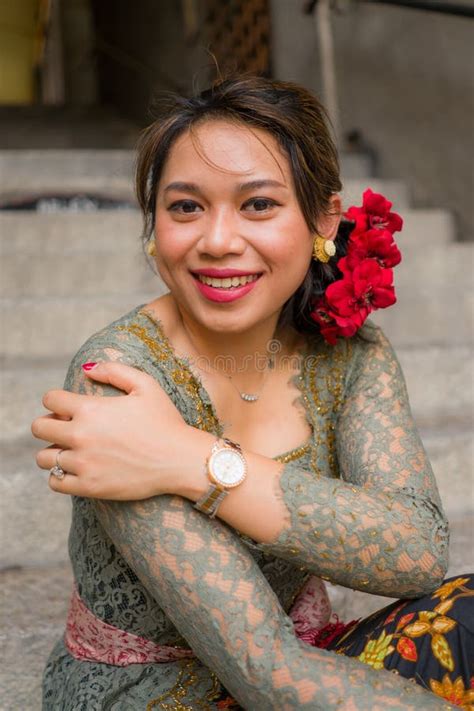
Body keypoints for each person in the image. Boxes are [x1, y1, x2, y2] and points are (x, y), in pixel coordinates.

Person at [32, 75, 473, 710]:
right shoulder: (118, 379)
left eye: (258, 205)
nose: (217, 241)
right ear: (155, 226)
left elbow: (416, 554)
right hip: (156, 695)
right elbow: (266, 671)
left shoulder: (348, 349)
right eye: (185, 207)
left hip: (304, 658)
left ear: (323, 220)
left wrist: (194, 461)